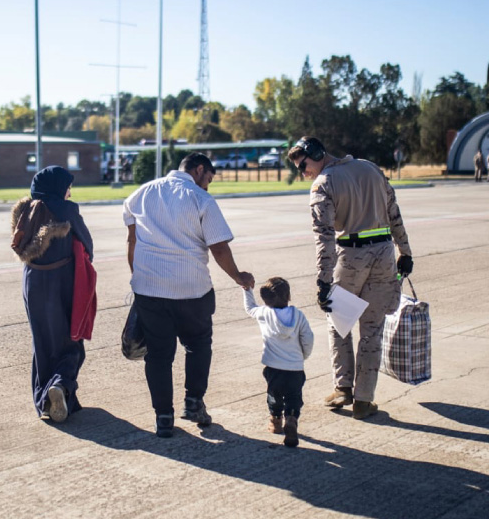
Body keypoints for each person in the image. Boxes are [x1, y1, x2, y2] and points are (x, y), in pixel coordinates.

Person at [123, 152, 256, 437]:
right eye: (209, 178)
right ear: (199, 170)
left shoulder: (140, 194)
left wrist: (139, 277)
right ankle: (194, 403)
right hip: (192, 289)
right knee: (197, 345)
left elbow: (132, 240)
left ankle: (163, 417)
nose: (208, 185)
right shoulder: (200, 198)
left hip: (149, 289)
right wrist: (238, 276)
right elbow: (218, 247)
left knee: (158, 355)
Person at [287, 137, 412, 420]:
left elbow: (324, 237)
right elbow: (394, 212)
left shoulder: (323, 184)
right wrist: (405, 251)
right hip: (384, 255)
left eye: (303, 166)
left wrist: (323, 281)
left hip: (352, 257)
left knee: (339, 323)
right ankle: (364, 401)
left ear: (316, 153)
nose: (303, 173)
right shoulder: (370, 168)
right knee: (372, 329)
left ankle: (343, 388)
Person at [10, 166, 94, 423]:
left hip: (32, 281)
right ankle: (60, 384)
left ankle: (46, 401)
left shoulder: (26, 210)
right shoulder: (66, 211)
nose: (70, 193)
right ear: (58, 188)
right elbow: (88, 246)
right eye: (68, 187)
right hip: (62, 281)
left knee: (42, 342)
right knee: (71, 340)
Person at [243, 277, 314, 448]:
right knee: (294, 396)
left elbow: (250, 308)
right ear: (288, 296)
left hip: (273, 367)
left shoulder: (264, 313)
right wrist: (303, 356)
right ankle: (291, 419)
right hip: (295, 367)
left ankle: (275, 421)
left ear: (266, 300)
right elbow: (308, 338)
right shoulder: (298, 315)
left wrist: (247, 290)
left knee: (274, 395)